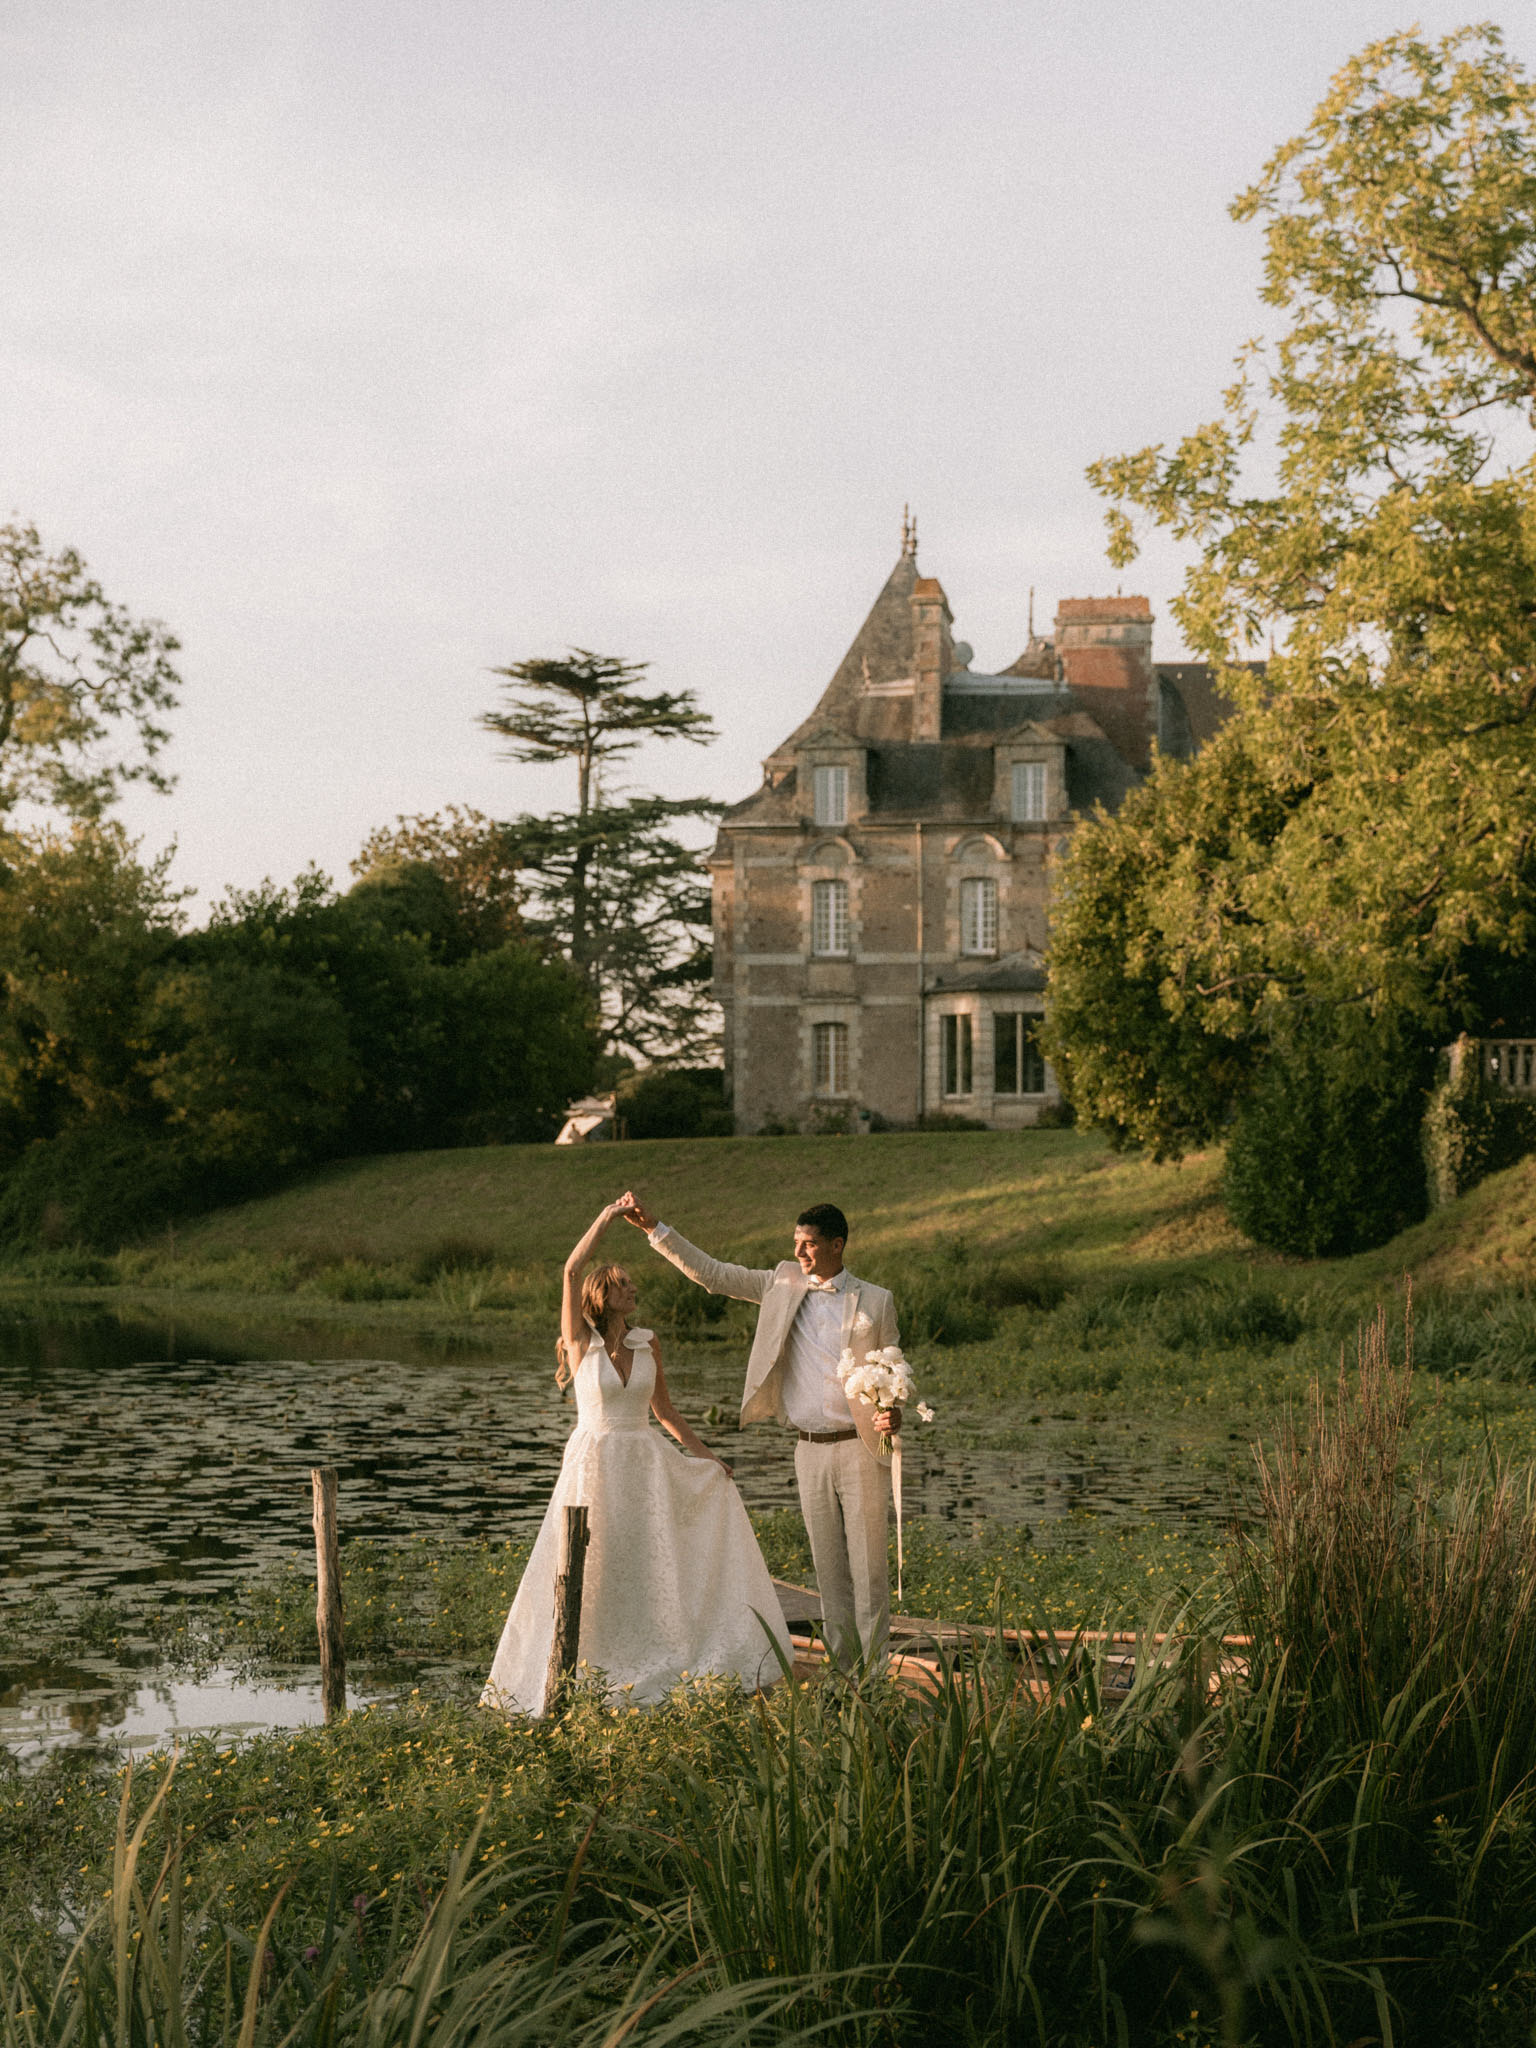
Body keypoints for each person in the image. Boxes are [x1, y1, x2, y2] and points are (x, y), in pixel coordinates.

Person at [480, 1199, 792, 1716]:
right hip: (594, 1462)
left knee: (648, 1559)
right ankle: (577, 1665)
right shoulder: (580, 1343)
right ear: (604, 1296)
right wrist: (606, 1218)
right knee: (593, 1560)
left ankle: (657, 1651)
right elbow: (570, 1268)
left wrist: (708, 1458)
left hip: (644, 1464)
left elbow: (665, 1411)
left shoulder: (648, 1344)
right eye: (624, 1284)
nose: (633, 1289)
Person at [617, 1194, 899, 1666]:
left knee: (869, 1571)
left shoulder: (875, 1299)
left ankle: (876, 1677)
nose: (800, 1253)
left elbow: (892, 1368)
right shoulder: (780, 1284)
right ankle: (844, 1676)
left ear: (837, 1245)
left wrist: (894, 1412)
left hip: (860, 1447)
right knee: (829, 1573)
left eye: (809, 1244)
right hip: (808, 1450)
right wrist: (655, 1229)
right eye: (796, 1243)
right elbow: (713, 1274)